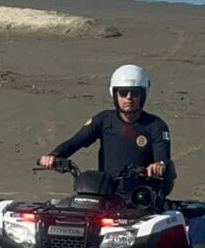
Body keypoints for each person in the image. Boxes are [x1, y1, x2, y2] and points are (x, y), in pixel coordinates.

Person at [39, 63, 176, 194]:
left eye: (134, 93)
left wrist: (158, 165)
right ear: (115, 94)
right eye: (123, 93)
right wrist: (54, 155)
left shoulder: (156, 125)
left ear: (143, 95)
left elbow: (162, 156)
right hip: (106, 190)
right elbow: (77, 140)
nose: (129, 98)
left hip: (142, 194)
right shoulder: (104, 120)